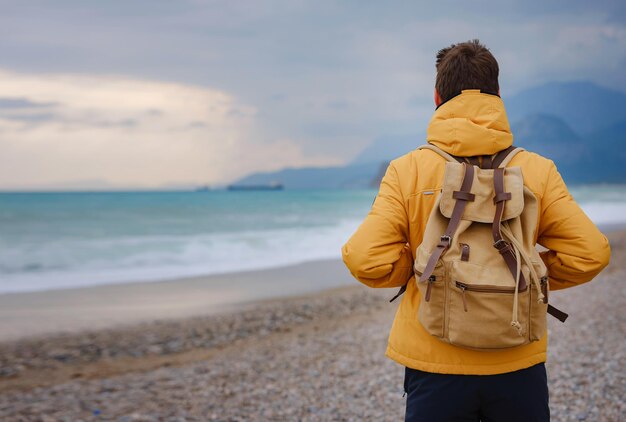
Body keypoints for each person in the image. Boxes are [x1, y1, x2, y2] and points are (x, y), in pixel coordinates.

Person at [341, 39, 611, 422]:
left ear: (437, 95)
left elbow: (365, 259)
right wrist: (526, 275)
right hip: (516, 358)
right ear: (498, 95)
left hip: (434, 361)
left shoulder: (408, 170)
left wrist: (426, 273)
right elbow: (591, 253)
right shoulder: (537, 170)